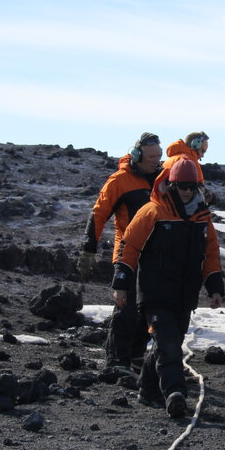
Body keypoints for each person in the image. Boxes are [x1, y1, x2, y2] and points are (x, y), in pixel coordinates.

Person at [111, 158, 224, 418]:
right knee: (168, 342)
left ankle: (147, 390)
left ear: (197, 186)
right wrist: (121, 285)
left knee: (169, 343)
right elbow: (129, 247)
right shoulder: (153, 211)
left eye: (190, 186)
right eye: (181, 186)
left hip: (185, 294)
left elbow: (211, 254)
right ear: (171, 184)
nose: (185, 191)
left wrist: (215, 287)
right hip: (154, 292)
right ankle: (175, 393)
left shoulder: (202, 218)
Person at [79, 132, 162, 368]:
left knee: (149, 308)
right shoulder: (119, 181)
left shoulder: (162, 178)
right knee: (126, 309)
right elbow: (98, 214)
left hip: (156, 255)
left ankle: (136, 356)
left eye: (158, 156)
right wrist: (88, 249)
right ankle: (116, 361)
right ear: (137, 155)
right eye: (150, 157)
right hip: (128, 253)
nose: (155, 161)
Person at [164, 131, 213, 204]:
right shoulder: (191, 162)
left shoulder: (169, 160)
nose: (202, 155)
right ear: (196, 145)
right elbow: (199, 194)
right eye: (202, 151)